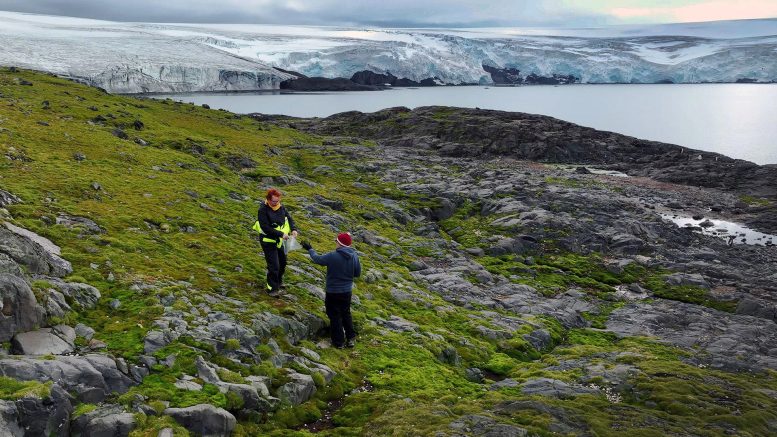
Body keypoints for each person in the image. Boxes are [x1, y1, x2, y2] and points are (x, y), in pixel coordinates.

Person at [301, 232, 361, 348]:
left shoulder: (333, 256)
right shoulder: (354, 256)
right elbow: (357, 273)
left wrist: (310, 249)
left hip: (333, 291)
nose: (335, 243)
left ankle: (339, 343)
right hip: (347, 291)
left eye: (336, 241)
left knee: (334, 316)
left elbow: (317, 259)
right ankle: (350, 338)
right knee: (346, 313)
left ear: (340, 243)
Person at [257, 188, 298, 296]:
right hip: (268, 240)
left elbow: (289, 219)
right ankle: (272, 289)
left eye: (278, 201)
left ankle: (278, 282)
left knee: (283, 262)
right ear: (268, 199)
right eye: (274, 201)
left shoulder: (281, 207)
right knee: (274, 265)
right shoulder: (263, 210)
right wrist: (281, 234)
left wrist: (294, 229)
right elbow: (265, 228)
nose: (276, 203)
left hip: (280, 240)